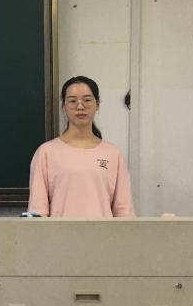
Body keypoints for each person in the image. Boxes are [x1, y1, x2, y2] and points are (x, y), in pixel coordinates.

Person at [28, 75, 134, 217]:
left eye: (87, 100)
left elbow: (124, 211)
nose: (80, 106)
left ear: (97, 105)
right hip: (60, 231)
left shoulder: (113, 154)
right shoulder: (46, 152)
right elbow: (37, 211)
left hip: (103, 231)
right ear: (64, 106)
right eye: (72, 101)